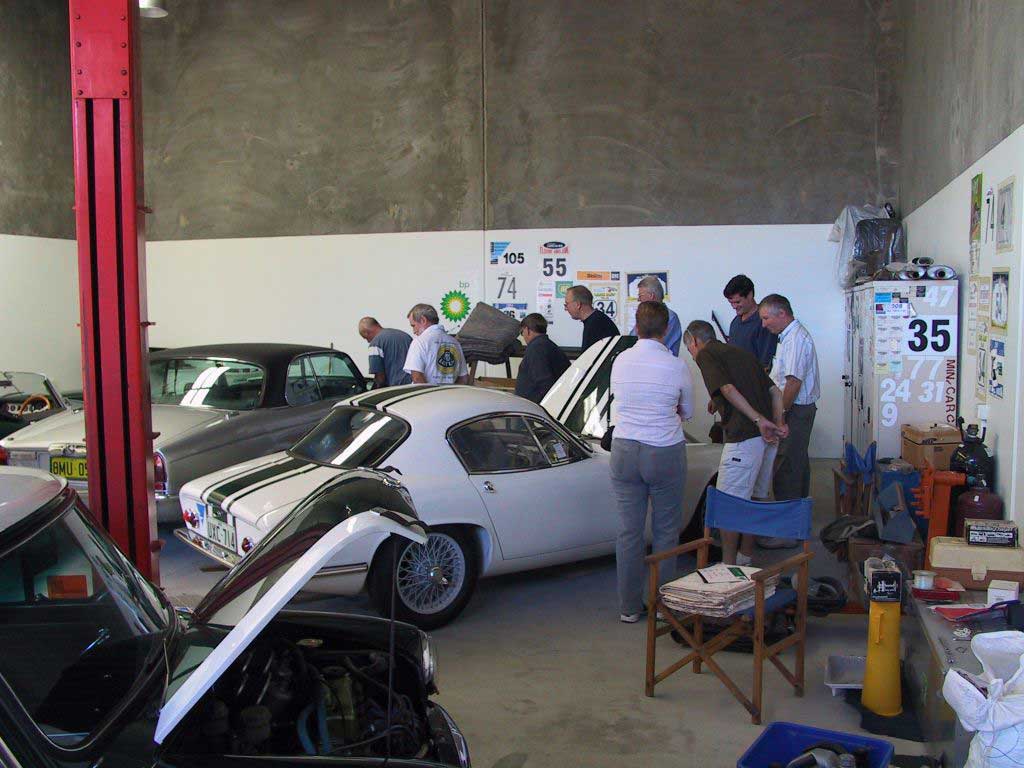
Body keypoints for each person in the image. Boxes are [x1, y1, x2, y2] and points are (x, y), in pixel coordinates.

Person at [609, 301, 694, 623]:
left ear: (636, 326)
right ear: (667, 329)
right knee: (666, 531)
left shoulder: (620, 360)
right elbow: (688, 411)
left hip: (624, 449)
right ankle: (661, 606)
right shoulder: (676, 365)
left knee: (628, 532)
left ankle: (629, 608)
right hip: (664, 450)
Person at [683, 320, 786, 565]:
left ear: (695, 341)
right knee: (754, 499)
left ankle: (728, 567)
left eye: (689, 350)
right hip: (767, 439)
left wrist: (758, 419)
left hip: (744, 437)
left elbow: (728, 388)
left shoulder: (706, 354)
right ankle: (745, 558)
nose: (692, 356)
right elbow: (775, 392)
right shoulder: (741, 353)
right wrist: (778, 422)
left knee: (728, 504)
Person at [759, 294, 819, 507]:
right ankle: (796, 513)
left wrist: (781, 415)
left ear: (782, 313)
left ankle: (786, 517)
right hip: (795, 408)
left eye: (766, 318)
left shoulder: (795, 339)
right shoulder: (788, 337)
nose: (764, 324)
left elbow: (793, 382)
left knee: (787, 464)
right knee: (796, 461)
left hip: (795, 410)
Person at [403, 303, 470, 385]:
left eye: (413, 325)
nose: (414, 331)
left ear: (423, 320)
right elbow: (464, 378)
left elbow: (417, 378)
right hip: (450, 393)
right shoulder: (455, 343)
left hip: (427, 393)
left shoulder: (419, 342)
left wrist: (431, 393)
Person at [723, 274, 777, 369]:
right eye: (731, 303)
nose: (734, 307)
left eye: (738, 302)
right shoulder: (735, 322)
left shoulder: (764, 322)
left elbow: (766, 363)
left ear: (750, 295)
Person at [515, 313, 570, 403]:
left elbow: (544, 383)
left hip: (535, 407)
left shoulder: (536, 348)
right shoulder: (548, 345)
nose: (523, 336)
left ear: (527, 330)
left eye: (522, 333)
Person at [628, 275, 682, 356]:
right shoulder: (643, 316)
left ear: (651, 296)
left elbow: (656, 347)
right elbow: (631, 340)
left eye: (640, 296)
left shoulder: (670, 317)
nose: (638, 299)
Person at [357, 317, 413, 388]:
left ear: (366, 333)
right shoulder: (405, 336)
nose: (368, 341)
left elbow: (380, 377)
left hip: (397, 388)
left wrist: (375, 389)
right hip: (415, 385)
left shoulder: (375, 344)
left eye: (366, 338)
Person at [564, 285, 619, 351]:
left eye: (567, 304)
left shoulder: (597, 324)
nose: (565, 308)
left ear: (578, 304)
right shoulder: (595, 320)